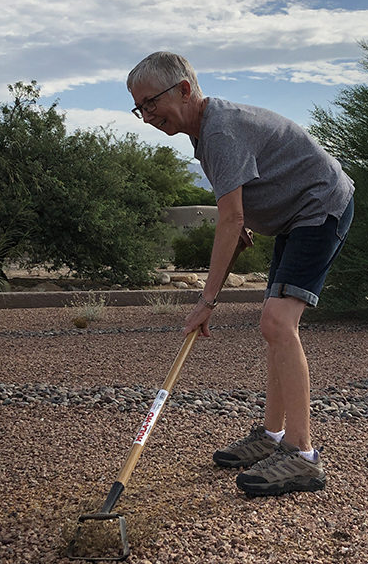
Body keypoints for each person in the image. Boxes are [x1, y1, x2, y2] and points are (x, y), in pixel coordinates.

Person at [126, 52, 354, 497]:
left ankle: (302, 456)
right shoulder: (207, 131)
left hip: (320, 207)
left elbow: (228, 220)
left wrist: (206, 301)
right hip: (295, 216)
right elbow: (244, 200)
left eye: (151, 103)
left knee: (277, 321)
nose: (148, 116)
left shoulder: (220, 131)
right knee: (274, 324)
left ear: (185, 90)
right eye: (140, 108)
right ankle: (271, 438)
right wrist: (243, 222)